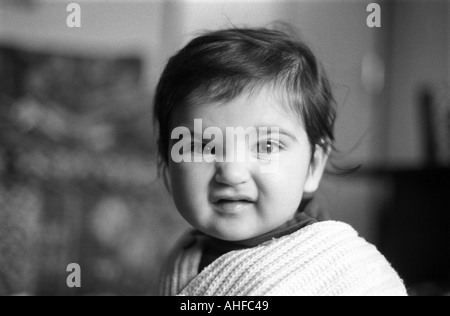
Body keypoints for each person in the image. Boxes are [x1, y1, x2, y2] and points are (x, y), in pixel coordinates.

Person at [154, 26, 407, 296]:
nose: (231, 172)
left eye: (266, 145)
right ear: (168, 160)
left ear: (313, 166)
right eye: (201, 146)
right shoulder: (185, 255)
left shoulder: (348, 270)